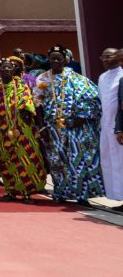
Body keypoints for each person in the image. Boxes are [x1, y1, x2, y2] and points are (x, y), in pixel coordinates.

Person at [33, 46, 105, 205]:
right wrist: (42, 127)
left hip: (75, 128)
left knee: (77, 160)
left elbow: (91, 99)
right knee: (57, 161)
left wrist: (80, 118)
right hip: (52, 128)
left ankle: (82, 195)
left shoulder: (77, 78)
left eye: (59, 58)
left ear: (66, 60)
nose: (56, 61)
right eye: (53, 58)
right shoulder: (42, 79)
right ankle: (60, 192)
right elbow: (37, 104)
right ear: (49, 60)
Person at [0, 58, 46, 203]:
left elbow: (28, 101)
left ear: (13, 70)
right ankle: (10, 191)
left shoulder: (22, 85)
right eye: (3, 68)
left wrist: (26, 110)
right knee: (6, 161)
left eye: (9, 68)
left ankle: (26, 192)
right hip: (2, 130)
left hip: (22, 130)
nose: (6, 70)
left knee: (25, 160)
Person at [97, 48, 123, 201]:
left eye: (109, 56)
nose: (105, 59)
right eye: (103, 56)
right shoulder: (102, 77)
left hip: (119, 126)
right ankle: (118, 196)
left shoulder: (122, 75)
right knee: (109, 161)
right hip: (106, 126)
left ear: (118, 57)